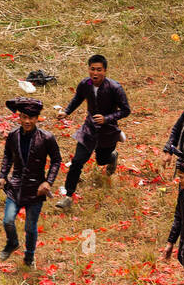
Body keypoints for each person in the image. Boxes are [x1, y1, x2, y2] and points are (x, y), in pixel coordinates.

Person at [55, 54, 131, 210]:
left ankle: (112, 157)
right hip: (89, 130)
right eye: (92, 69)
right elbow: (77, 98)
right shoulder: (85, 84)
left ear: (105, 71)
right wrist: (66, 112)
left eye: (99, 70)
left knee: (101, 160)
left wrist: (107, 118)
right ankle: (68, 196)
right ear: (88, 69)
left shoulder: (115, 88)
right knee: (77, 161)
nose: (95, 73)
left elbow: (126, 110)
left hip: (107, 132)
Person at [0, 97, 62, 266]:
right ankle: (12, 242)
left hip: (36, 189)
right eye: (24, 117)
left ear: (37, 118)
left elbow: (56, 160)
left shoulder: (47, 137)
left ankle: (29, 256)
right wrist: (3, 175)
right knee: (8, 220)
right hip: (16, 186)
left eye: (31, 118)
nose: (27, 121)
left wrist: (48, 182)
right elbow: (7, 156)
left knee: (30, 227)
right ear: (19, 117)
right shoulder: (13, 136)